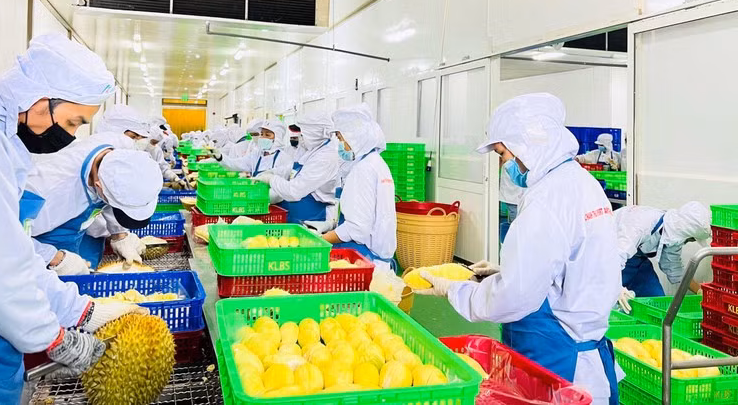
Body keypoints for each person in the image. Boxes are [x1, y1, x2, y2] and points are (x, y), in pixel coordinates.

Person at [0, 33, 144, 403]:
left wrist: (82, 310)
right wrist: (53, 337)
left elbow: (15, 253)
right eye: (71, 122)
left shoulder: (4, 146)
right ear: (38, 98)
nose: (71, 135)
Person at [416, 93, 621, 405]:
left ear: (527, 146)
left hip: (556, 359)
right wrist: (502, 272)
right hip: (584, 347)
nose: (504, 164)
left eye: (503, 153)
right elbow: (568, 264)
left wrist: (454, 290)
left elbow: (515, 297)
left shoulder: (546, 198)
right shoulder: (579, 182)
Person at [28, 140, 163, 271]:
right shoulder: (47, 191)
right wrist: (54, 258)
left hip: (71, 241)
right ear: (98, 186)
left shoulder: (112, 161)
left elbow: (114, 194)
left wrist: (119, 235)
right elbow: (10, 238)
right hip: (33, 254)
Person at [320, 106, 397, 269]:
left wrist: (320, 239)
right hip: (379, 259)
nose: (340, 144)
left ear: (354, 138)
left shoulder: (362, 169)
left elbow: (357, 229)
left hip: (363, 258)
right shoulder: (377, 163)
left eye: (341, 138)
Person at [254, 111, 341, 230]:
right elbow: (292, 168)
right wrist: (273, 172)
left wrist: (271, 179)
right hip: (296, 211)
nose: (300, 136)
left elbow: (294, 191)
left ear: (314, 134)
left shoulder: (325, 157)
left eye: (303, 132)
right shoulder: (310, 149)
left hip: (313, 216)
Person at [616, 202, 711, 308]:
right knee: (610, 307)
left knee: (657, 305)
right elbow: (616, 257)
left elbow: (674, 270)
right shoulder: (640, 224)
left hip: (638, 262)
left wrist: (699, 290)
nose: (688, 241)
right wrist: (616, 288)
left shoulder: (672, 238)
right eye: (690, 239)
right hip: (609, 264)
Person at [213, 119, 293, 179]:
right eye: (262, 134)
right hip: (257, 197)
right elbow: (237, 163)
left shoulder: (284, 158)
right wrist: (221, 158)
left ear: (277, 138)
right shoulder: (257, 155)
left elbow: (281, 188)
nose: (263, 137)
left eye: (267, 135)